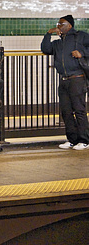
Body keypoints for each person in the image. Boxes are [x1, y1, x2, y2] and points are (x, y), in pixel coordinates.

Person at [41, 14, 89, 151]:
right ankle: (72, 139)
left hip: (77, 79)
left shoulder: (80, 37)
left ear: (69, 25)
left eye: (61, 24)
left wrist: (82, 53)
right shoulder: (57, 43)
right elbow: (45, 49)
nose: (58, 26)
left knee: (79, 110)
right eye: (58, 24)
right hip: (63, 80)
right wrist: (48, 34)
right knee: (66, 111)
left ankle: (84, 140)